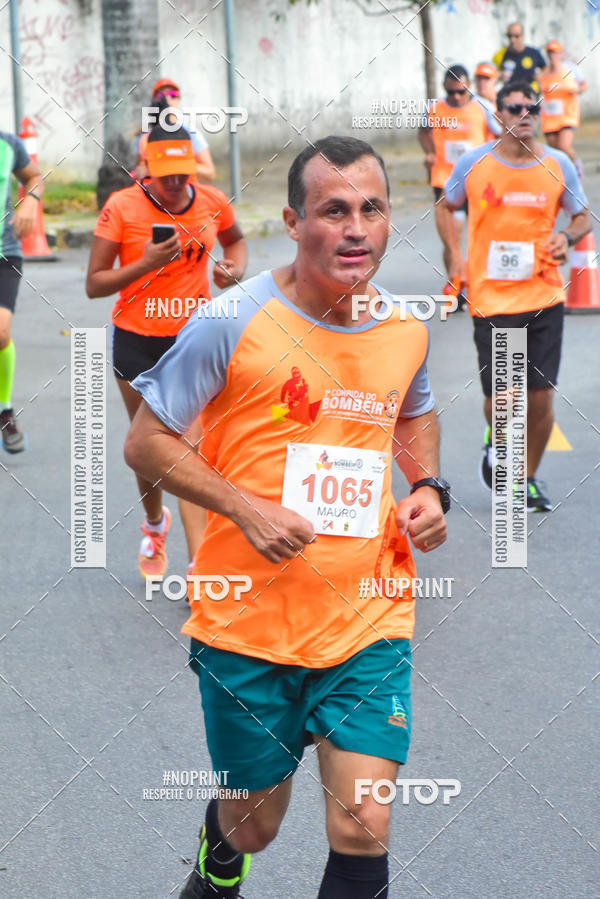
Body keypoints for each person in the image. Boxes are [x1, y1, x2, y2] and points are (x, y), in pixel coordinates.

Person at [124, 135, 450, 898]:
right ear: (295, 220)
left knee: (363, 821)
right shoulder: (231, 321)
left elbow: (416, 414)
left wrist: (428, 486)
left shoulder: (404, 329)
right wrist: (246, 506)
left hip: (367, 616)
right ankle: (218, 864)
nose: (356, 228)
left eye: (371, 208)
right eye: (333, 210)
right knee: (254, 826)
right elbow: (147, 441)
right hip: (247, 624)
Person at [86, 123, 247, 578]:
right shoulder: (122, 207)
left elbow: (235, 240)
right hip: (135, 340)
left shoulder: (212, 200)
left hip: (193, 339)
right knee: (148, 450)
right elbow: (94, 284)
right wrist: (145, 264)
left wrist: (234, 268)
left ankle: (200, 566)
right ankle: (155, 523)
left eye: (184, 173)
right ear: (146, 170)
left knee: (189, 448)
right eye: (167, 175)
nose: (177, 184)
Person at [439, 83, 591, 512]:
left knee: (540, 396)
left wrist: (567, 235)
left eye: (533, 107)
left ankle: (526, 477)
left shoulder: (558, 164)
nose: (525, 113)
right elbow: (445, 206)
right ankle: (497, 440)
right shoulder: (474, 163)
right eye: (515, 107)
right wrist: (454, 254)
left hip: (544, 294)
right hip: (493, 298)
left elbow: (582, 214)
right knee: (504, 401)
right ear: (499, 114)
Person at [418, 65, 497, 299]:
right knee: (451, 235)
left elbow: (502, 135)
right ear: (445, 87)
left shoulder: (483, 107)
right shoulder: (434, 108)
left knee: (480, 233)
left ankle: (478, 280)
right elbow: (423, 131)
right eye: (451, 92)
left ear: (468, 87)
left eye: (461, 92)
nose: (456, 97)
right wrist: (430, 152)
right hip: (444, 180)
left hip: (478, 181)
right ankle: (455, 282)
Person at [0, 130, 45, 454]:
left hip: (5, 251)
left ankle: (4, 410)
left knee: (1, 333)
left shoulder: (8, 143)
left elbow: (34, 177)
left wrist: (31, 199)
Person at [135, 78, 216, 182]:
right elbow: (139, 170)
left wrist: (180, 164)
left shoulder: (191, 134)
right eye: (162, 95)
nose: (168, 98)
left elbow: (210, 173)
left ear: (178, 100)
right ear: (154, 101)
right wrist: (140, 172)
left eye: (173, 94)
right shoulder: (143, 138)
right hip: (154, 195)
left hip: (185, 194)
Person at [541, 41, 586, 166]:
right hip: (550, 116)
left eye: (555, 52)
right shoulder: (544, 72)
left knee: (563, 145)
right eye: (550, 52)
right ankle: (562, 173)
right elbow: (539, 88)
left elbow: (583, 85)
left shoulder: (570, 68)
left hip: (567, 115)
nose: (552, 55)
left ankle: (575, 165)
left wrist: (577, 90)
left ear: (560, 53)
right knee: (555, 149)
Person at [500, 23, 545, 91]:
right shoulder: (501, 53)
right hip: (510, 94)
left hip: (530, 93)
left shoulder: (533, 53)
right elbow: (493, 74)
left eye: (516, 36)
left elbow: (546, 68)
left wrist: (540, 75)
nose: (512, 40)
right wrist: (500, 76)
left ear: (522, 36)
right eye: (509, 36)